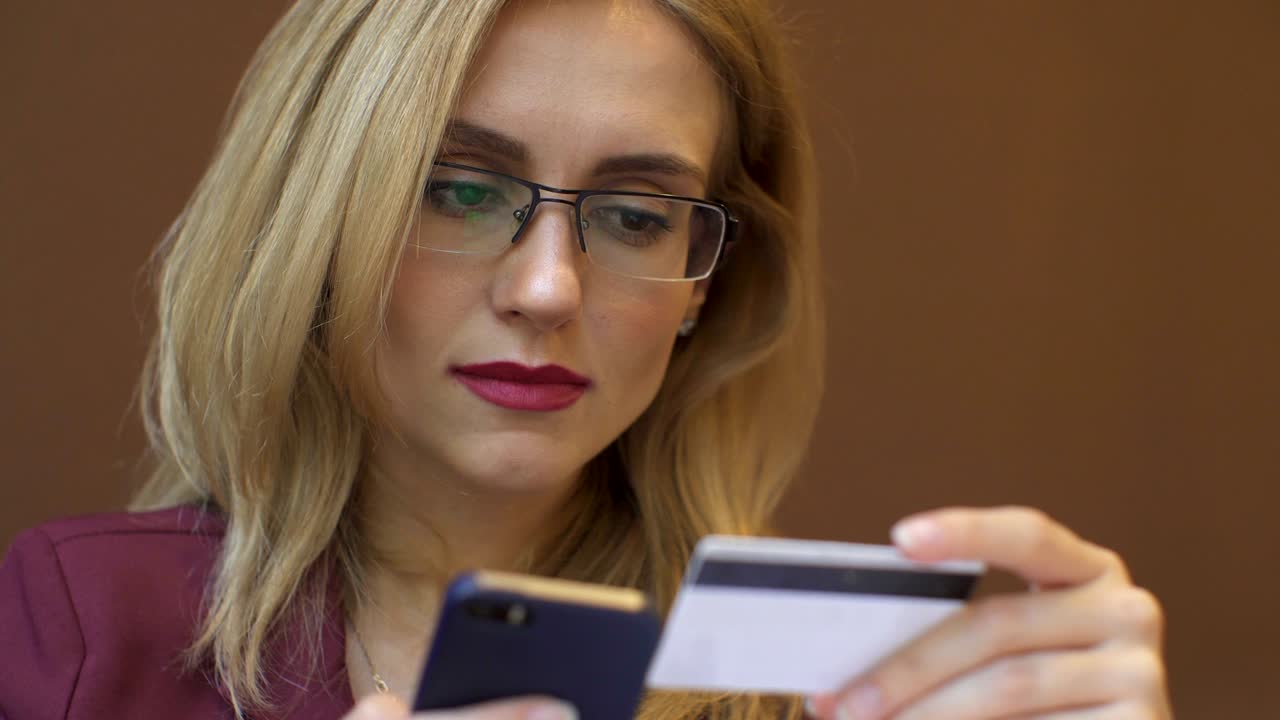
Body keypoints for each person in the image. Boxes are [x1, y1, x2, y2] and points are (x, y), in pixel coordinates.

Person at [0, 1, 1173, 719]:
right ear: (317, 221)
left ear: (705, 289)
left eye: (631, 216)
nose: (546, 289)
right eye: (457, 191)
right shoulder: (81, 637)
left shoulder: (843, 689)